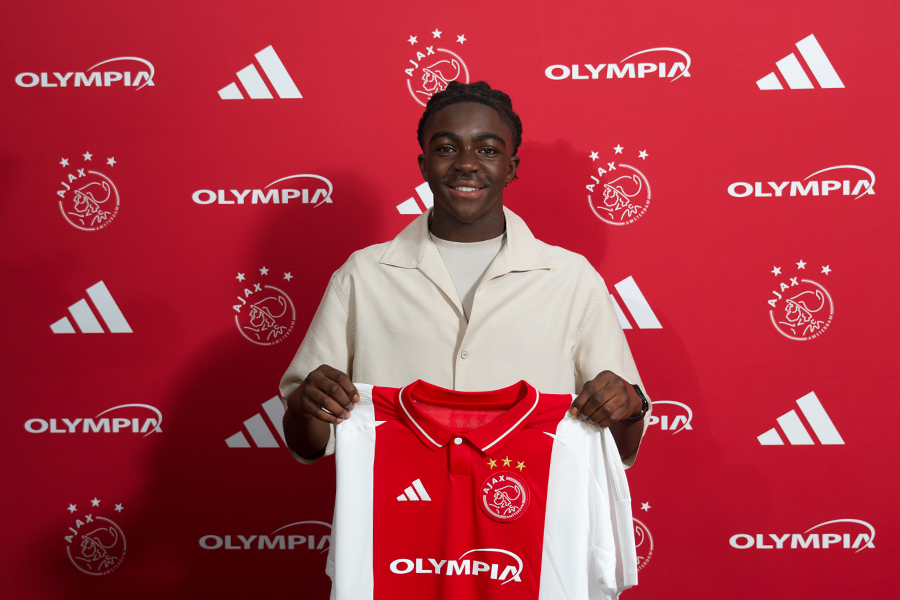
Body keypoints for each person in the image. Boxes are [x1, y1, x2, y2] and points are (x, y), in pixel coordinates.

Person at [280, 81, 651, 467]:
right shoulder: (362, 275)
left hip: (530, 500)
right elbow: (306, 444)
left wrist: (628, 407)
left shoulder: (571, 279)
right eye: (446, 148)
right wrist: (307, 404)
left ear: (511, 168)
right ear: (424, 165)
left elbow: (621, 447)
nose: (467, 164)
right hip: (400, 501)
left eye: (487, 150)